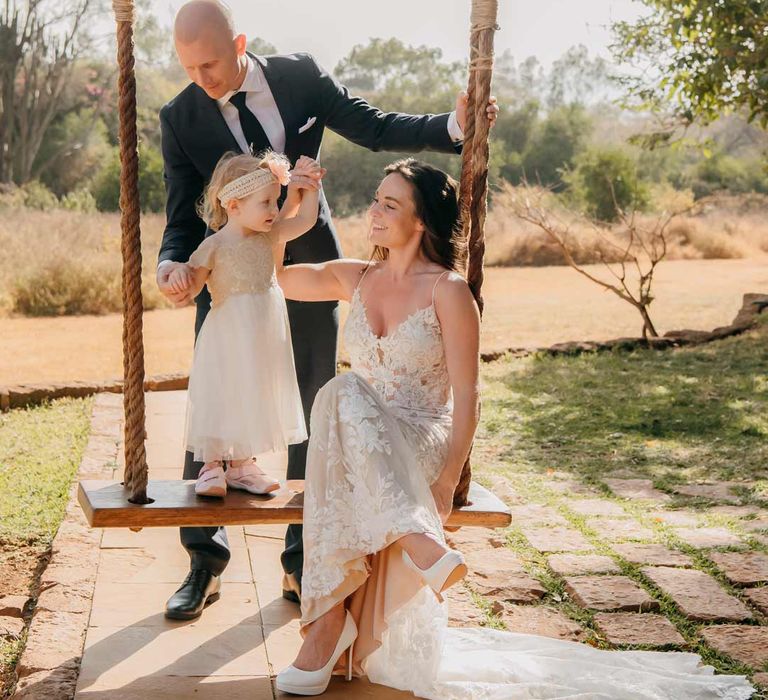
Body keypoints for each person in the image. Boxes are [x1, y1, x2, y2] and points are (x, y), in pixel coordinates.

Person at [272, 159, 755, 699]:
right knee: (341, 395)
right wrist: (293, 206)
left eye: (391, 204)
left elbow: (468, 395)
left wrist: (445, 480)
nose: (375, 210)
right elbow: (277, 276)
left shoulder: (449, 292)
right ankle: (407, 549)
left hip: (420, 438)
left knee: (338, 396)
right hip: (362, 444)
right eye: (377, 199)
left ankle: (326, 630)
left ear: (423, 220)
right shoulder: (355, 276)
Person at [155, 0, 499, 620]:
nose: (200, 80)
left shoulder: (299, 76)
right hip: (230, 279)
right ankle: (203, 559)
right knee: (215, 391)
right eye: (188, 68)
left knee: (318, 398)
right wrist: (170, 266)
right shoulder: (179, 117)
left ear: (240, 43)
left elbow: (373, 126)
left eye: (209, 64)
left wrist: (453, 126)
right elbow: (181, 212)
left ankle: (300, 557)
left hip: (308, 256)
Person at [164, 152, 324, 508]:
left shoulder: (271, 235)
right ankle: (211, 465)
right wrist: (177, 277)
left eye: (276, 200)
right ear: (234, 206)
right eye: (266, 202)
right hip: (228, 334)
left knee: (255, 392)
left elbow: (309, 219)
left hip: (264, 335)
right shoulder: (214, 245)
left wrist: (309, 183)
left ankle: (242, 465)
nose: (274, 209)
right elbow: (190, 284)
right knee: (224, 392)